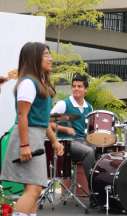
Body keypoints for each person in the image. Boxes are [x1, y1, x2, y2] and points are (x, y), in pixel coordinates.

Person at [0, 42, 64, 216]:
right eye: (45, 54)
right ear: (33, 58)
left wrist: (54, 141)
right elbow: (22, 116)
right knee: (34, 189)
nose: (50, 58)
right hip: (26, 138)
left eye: (49, 54)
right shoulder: (28, 83)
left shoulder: (39, 83)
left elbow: (42, 121)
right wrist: (24, 145)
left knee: (35, 190)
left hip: (34, 138)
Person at [50, 73, 95, 201]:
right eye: (74, 86)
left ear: (85, 90)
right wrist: (66, 129)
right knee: (89, 151)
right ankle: (93, 192)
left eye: (79, 86)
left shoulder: (89, 107)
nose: (76, 88)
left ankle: (104, 190)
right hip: (68, 144)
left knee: (102, 150)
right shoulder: (63, 104)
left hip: (84, 141)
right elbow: (48, 122)